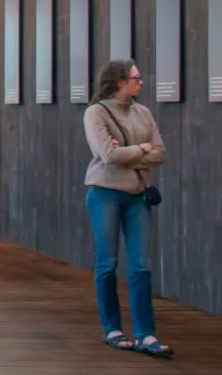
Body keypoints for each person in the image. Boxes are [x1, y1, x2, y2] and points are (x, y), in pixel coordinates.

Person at [84, 59, 171, 358]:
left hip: (136, 194)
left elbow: (160, 152)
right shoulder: (96, 112)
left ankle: (146, 334)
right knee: (107, 264)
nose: (141, 82)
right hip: (104, 194)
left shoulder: (143, 112)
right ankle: (112, 328)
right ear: (120, 81)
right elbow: (107, 155)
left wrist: (132, 153)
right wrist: (141, 149)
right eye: (137, 77)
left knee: (140, 266)